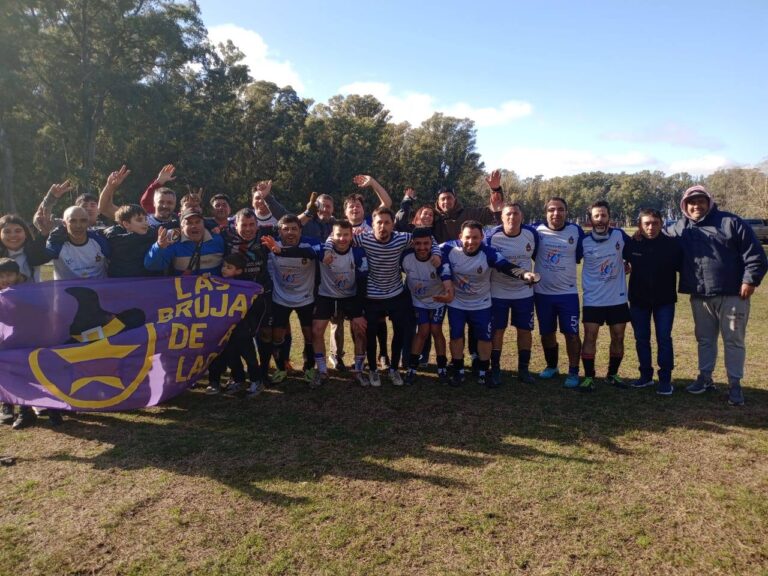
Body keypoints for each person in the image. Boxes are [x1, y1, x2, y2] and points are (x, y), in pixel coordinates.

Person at [666, 185, 767, 406]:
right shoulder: (679, 228)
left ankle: (735, 384)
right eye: (691, 202)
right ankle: (705, 378)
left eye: (701, 201)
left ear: (709, 202)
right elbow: (656, 239)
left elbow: (755, 254)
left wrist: (750, 280)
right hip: (700, 295)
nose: (696, 206)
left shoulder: (730, 222)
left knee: (733, 340)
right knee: (704, 339)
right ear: (684, 205)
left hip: (733, 294)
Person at [337, 206, 439, 387]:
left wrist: (437, 254)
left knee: (400, 332)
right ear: (373, 224)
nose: (383, 226)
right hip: (372, 295)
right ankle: (374, 370)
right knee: (370, 333)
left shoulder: (402, 238)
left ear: (393, 225)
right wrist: (330, 249)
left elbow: (428, 239)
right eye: (379, 223)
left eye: (387, 223)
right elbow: (336, 239)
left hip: (395, 294)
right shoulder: (363, 238)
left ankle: (393, 368)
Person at [441, 220, 538, 387]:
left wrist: (524, 274)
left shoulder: (489, 252)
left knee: (485, 338)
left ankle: (483, 373)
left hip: (482, 303)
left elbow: (506, 266)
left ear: (482, 237)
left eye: (475, 238)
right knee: (456, 336)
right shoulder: (448, 248)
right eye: (467, 237)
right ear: (460, 237)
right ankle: (458, 371)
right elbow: (432, 251)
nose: (471, 242)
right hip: (457, 303)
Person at [623, 208, 682, 395]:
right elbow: (620, 261)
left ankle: (665, 380)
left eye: (655, 223)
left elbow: (686, 267)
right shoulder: (632, 244)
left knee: (664, 339)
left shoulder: (672, 245)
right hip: (639, 301)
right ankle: (645, 376)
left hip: (664, 301)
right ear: (640, 225)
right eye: (647, 223)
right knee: (641, 339)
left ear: (661, 224)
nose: (651, 227)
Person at [305, 220, 369, 388]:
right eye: (338, 235)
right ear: (332, 236)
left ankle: (358, 371)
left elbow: (362, 283)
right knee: (317, 330)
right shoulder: (323, 250)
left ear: (351, 235)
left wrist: (357, 313)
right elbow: (300, 248)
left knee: (360, 330)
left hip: (350, 297)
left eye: (346, 235)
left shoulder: (358, 253)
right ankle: (322, 370)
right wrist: (279, 250)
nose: (342, 238)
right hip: (326, 296)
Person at [261, 215, 322, 384]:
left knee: (309, 336)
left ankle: (309, 367)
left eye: (294, 228)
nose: (290, 232)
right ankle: (281, 368)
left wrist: (282, 252)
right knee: (277, 336)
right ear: (279, 231)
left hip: (306, 298)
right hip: (280, 298)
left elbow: (313, 253)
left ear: (300, 230)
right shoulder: (271, 244)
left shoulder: (310, 243)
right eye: (286, 229)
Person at [578, 201, 631, 392]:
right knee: (590, 337)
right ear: (590, 219)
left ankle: (612, 374)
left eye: (604, 216)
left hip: (617, 299)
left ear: (609, 217)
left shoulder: (620, 235)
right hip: (593, 299)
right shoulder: (582, 241)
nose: (600, 220)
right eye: (596, 216)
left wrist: (628, 263)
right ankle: (589, 378)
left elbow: (635, 252)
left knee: (618, 337)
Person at [485, 202, 539, 386]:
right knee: (498, 330)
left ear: (521, 216)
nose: (512, 217)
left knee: (525, 330)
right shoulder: (492, 236)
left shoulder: (531, 234)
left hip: (523, 293)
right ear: (501, 217)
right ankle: (496, 368)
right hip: (498, 292)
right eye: (508, 214)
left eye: (516, 214)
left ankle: (523, 369)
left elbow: (538, 255)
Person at [533, 197, 585, 388]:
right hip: (542, 293)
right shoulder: (536, 231)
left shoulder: (575, 231)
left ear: (566, 212)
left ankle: (573, 371)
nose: (556, 213)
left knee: (571, 334)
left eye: (561, 209)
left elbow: (585, 253)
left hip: (567, 294)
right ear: (546, 212)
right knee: (547, 333)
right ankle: (552, 366)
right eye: (552, 210)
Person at [402, 228, 454, 384]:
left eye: (426, 243)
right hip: (418, 300)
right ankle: (412, 369)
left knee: (436, 330)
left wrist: (448, 294)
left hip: (437, 299)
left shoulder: (439, 259)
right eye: (418, 244)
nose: (422, 247)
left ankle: (442, 368)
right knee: (423, 331)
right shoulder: (405, 257)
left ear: (432, 243)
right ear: (412, 244)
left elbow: (446, 278)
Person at [206, 253, 262, 396]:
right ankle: (239, 380)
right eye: (224, 266)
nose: (224, 269)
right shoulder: (218, 283)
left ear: (238, 271)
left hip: (243, 329)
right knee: (231, 356)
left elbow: (256, 298)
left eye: (229, 267)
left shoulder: (245, 285)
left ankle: (256, 381)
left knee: (249, 357)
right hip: (226, 329)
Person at [144, 208, 224, 276]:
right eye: (189, 223)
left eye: (198, 222)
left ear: (203, 224)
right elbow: (152, 266)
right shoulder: (173, 242)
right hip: (184, 292)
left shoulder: (218, 240)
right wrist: (158, 247)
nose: (194, 226)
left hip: (213, 292)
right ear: (181, 227)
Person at [46, 206, 110, 280]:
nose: (78, 225)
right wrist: (43, 234)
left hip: (99, 289)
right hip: (67, 290)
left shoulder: (100, 239)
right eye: (73, 221)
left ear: (88, 222)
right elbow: (39, 261)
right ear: (64, 223)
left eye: (83, 221)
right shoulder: (56, 243)